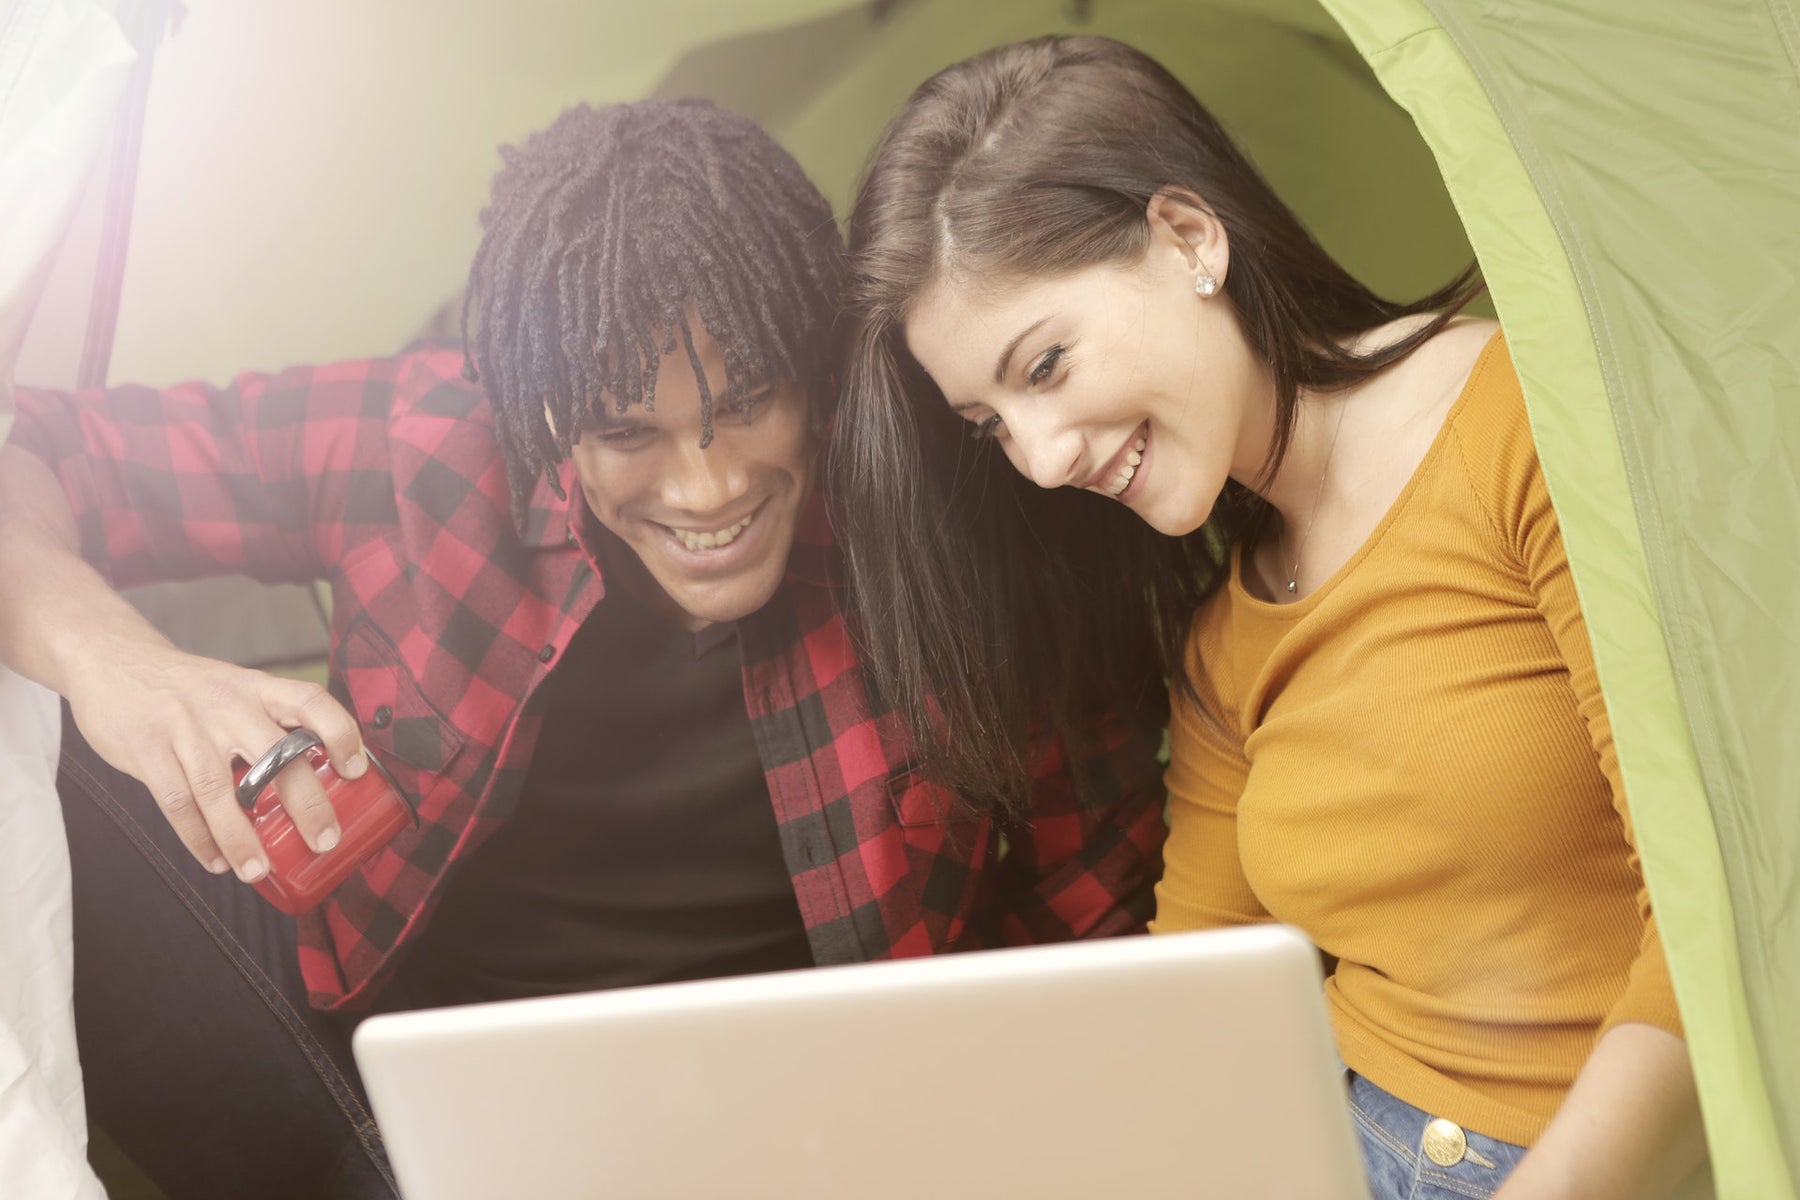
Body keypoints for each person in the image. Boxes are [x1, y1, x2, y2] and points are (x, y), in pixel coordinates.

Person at [0, 98, 1167, 1200]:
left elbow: (1095, 924)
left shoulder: (952, 534)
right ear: (543, 413)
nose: (709, 487)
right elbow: (26, 445)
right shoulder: (420, 444)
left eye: (750, 402)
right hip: (381, 1070)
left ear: (809, 360)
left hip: (775, 1142)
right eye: (627, 431)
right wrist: (128, 670)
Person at [831, 34, 1704, 1200]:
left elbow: (1723, 934)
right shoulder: (1223, 641)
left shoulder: (1526, 436)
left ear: (1188, 238)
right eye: (989, 424)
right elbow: (1193, 1011)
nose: (1037, 463)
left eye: (1043, 367)